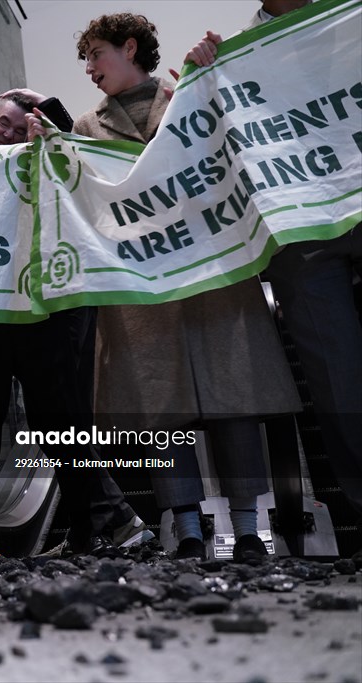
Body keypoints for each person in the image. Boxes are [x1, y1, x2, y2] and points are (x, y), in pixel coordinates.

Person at [33, 12, 301, 562]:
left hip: (211, 274)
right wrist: (47, 150)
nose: (89, 68)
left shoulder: (190, 95)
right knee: (163, 416)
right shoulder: (83, 128)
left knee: (235, 402)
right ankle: (188, 528)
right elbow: (76, 196)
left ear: (130, 48)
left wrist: (215, 80)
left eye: (96, 54)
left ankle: (249, 530)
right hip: (143, 288)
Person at [0, 89, 152, 559]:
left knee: (58, 423)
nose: (9, 134)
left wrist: (48, 110)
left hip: (45, 316)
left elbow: (83, 164)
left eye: (21, 129)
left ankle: (95, 525)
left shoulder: (53, 166)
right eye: (3, 123)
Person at [184, 0, 361, 530]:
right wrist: (199, 81)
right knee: (339, 386)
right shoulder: (230, 57)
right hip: (300, 240)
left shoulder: (349, 19)